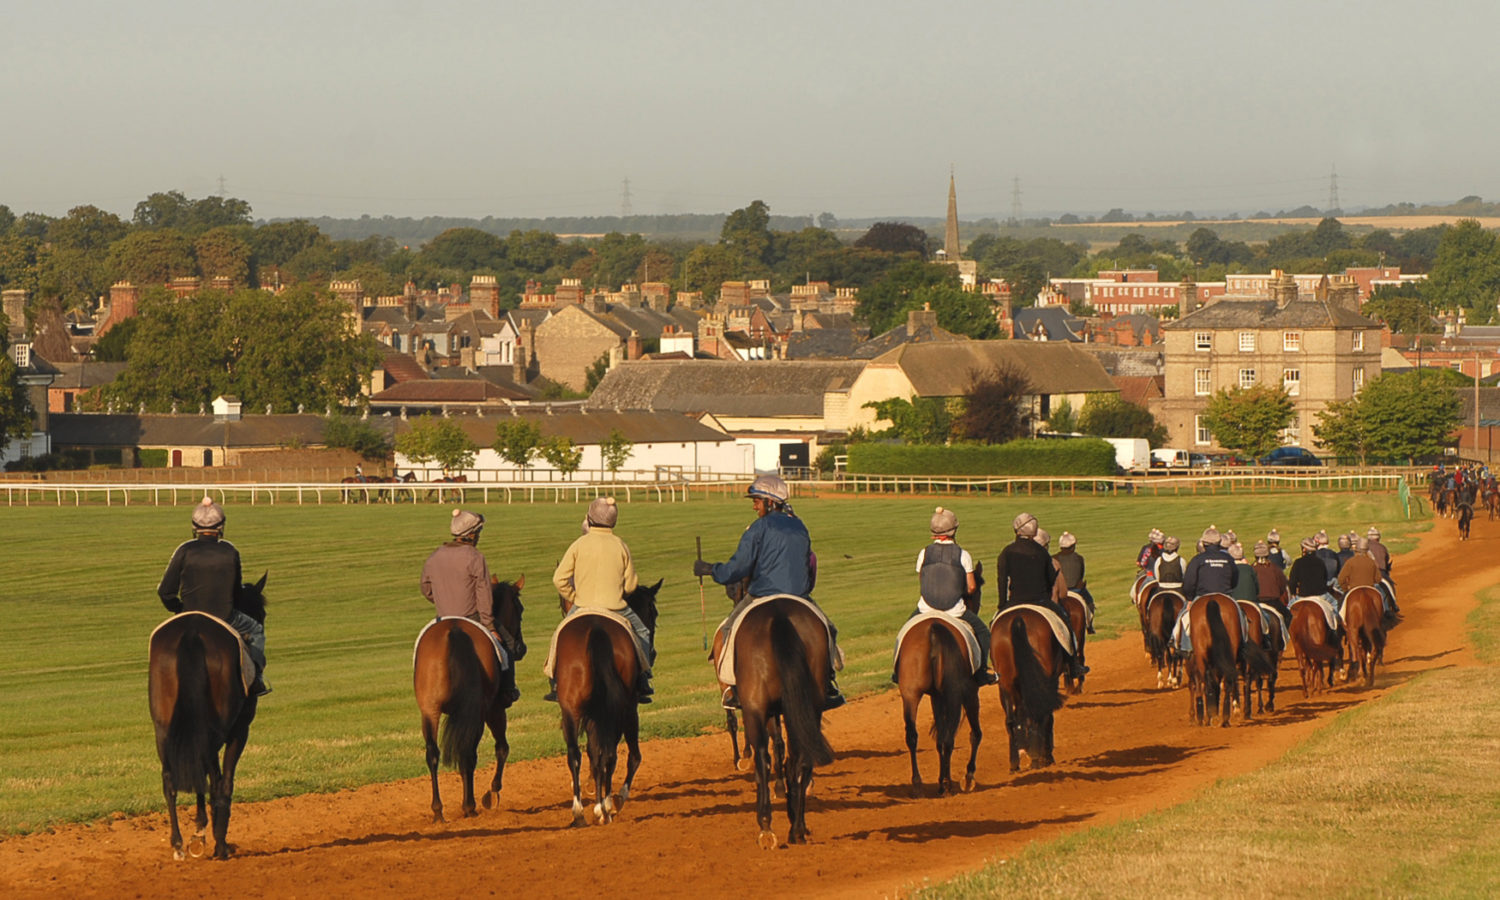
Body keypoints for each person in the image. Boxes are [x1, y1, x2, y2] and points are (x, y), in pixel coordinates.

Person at [695, 474, 844, 710]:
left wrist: (712, 569)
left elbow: (739, 567)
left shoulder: (759, 527)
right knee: (829, 629)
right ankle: (828, 684)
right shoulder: (800, 525)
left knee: (726, 632)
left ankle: (732, 689)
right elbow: (810, 563)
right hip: (800, 597)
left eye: (756, 500)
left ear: (771, 502)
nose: (754, 506)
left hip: (761, 595)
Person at [158, 497, 269, 696]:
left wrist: (179, 609)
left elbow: (165, 591)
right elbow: (236, 593)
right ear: (221, 527)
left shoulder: (184, 550)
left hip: (188, 617)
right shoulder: (230, 551)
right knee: (257, 630)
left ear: (194, 527)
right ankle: (257, 679)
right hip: (225, 617)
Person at [548, 497, 653, 703]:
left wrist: (574, 597)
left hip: (582, 606)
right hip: (616, 608)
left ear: (590, 517)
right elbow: (631, 585)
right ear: (614, 521)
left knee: (559, 634)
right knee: (642, 632)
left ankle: (556, 680)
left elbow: (559, 579)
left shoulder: (579, 544)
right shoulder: (620, 545)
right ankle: (643, 678)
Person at [420, 508, 518, 703]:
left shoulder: (434, 557)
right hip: (472, 617)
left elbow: (426, 589)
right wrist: (489, 625)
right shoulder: (475, 557)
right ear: (471, 534)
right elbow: (484, 595)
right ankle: (508, 690)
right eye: (479, 533)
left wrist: (442, 599)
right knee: (508, 646)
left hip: (441, 618)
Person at [899, 506, 997, 685]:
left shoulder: (924, 553)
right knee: (984, 633)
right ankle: (982, 671)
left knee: (904, 633)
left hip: (925, 608)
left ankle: (898, 671)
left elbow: (923, 580)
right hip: (955, 610)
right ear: (954, 530)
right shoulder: (963, 554)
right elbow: (972, 587)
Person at [997, 513, 1086, 681]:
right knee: (1065, 622)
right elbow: (1051, 578)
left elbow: (1002, 580)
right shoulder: (1042, 553)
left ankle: (995, 666)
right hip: (1040, 601)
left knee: (995, 627)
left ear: (1016, 530)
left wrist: (1002, 604)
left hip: (1014, 601)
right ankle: (1073, 664)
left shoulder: (1007, 551)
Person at [1172, 526, 1238, 653]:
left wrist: (1190, 598)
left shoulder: (1197, 559)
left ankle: (1184, 647)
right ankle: (1244, 643)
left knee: (1183, 619)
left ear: (1203, 543)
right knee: (1241, 616)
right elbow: (1235, 580)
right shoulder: (1229, 559)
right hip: (1226, 595)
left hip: (1201, 596)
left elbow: (1189, 582)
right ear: (1219, 543)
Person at [1053, 531, 1095, 634]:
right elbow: (1080, 575)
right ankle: (1089, 625)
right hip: (1077, 589)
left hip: (1059, 591)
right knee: (1090, 602)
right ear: (1073, 546)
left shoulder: (1054, 559)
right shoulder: (1079, 558)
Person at [1251, 540, 1290, 623]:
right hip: (1273, 602)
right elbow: (1283, 586)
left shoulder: (1251, 568)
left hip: (1256, 602)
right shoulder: (1275, 568)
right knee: (1289, 617)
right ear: (1267, 554)